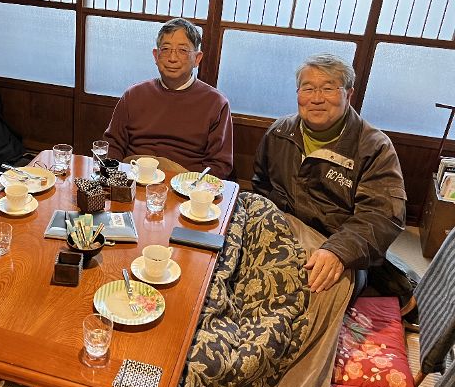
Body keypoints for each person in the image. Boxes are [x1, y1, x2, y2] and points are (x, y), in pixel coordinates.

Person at [252, 54, 407, 293]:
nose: (316, 99)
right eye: (308, 88)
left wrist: (338, 251)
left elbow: (382, 215)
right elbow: (261, 186)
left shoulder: (374, 147)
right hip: (283, 230)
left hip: (337, 246)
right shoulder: (279, 132)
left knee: (312, 292)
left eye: (328, 88)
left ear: (348, 94)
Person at [103, 18, 233, 178]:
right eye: (165, 49)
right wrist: (116, 179)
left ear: (197, 59)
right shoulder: (133, 95)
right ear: (156, 56)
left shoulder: (216, 103)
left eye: (182, 50)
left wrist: (190, 185)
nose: (172, 58)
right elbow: (112, 145)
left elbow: (219, 164)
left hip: (186, 186)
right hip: (133, 179)